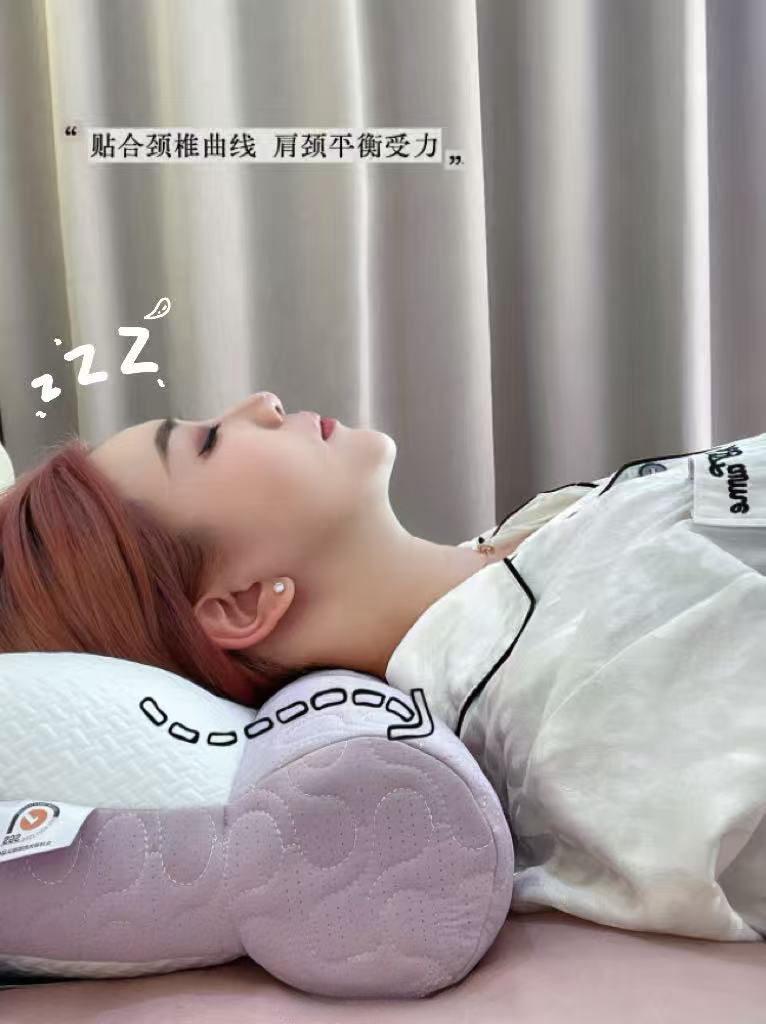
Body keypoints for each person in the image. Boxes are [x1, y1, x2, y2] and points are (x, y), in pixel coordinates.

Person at [1, 390, 765, 945]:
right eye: (205, 442)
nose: (261, 404)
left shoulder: (532, 571)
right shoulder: (583, 683)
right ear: (240, 604)